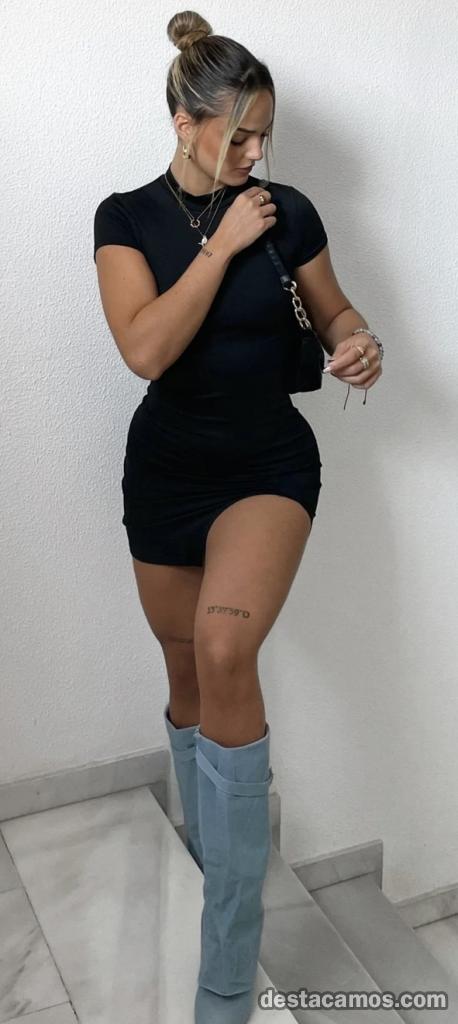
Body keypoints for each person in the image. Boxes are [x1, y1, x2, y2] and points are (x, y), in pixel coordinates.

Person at [93, 11, 383, 1022]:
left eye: (265, 135)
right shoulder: (125, 219)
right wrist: (218, 249)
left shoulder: (286, 211)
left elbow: (334, 309)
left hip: (267, 463)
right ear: (185, 122)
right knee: (184, 674)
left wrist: (357, 342)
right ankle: (206, 839)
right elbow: (144, 348)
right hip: (167, 473)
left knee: (224, 649)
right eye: (240, 135)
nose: (257, 154)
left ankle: (227, 957)